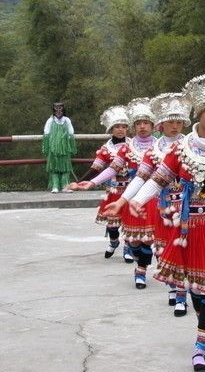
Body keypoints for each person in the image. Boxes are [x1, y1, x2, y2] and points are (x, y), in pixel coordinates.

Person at [121, 74, 205, 372]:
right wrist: (131, 201)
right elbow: (159, 178)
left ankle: (201, 347)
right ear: (199, 113)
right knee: (196, 289)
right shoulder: (179, 150)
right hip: (187, 226)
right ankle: (203, 317)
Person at [104, 92, 194, 313]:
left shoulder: (193, 146)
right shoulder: (154, 152)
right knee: (163, 251)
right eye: (170, 122)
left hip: (189, 208)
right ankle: (172, 288)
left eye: (179, 122)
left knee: (183, 251)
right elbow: (141, 177)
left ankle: (181, 294)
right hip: (162, 207)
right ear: (161, 125)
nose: (175, 126)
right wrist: (128, 200)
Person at [75, 98, 159, 288]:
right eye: (138, 123)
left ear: (153, 125)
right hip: (129, 197)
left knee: (148, 240)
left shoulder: (161, 146)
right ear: (134, 127)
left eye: (146, 123)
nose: (142, 127)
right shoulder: (127, 148)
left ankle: (141, 271)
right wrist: (91, 182)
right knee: (133, 241)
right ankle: (135, 256)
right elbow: (112, 168)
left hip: (154, 198)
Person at [69, 106, 129, 260]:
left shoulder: (134, 145)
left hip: (131, 190)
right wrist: (79, 182)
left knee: (131, 221)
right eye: (117, 127)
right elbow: (95, 169)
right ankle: (114, 241)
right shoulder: (105, 150)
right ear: (111, 129)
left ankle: (129, 248)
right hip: (114, 190)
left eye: (124, 127)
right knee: (113, 223)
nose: (121, 130)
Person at [42, 102, 76, 193]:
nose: (58, 110)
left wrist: (68, 142)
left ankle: (65, 186)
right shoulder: (50, 120)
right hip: (53, 148)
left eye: (60, 108)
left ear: (63, 109)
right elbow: (46, 133)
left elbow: (71, 132)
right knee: (54, 167)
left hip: (64, 148)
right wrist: (48, 146)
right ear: (53, 110)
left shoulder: (67, 120)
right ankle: (55, 186)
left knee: (65, 168)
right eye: (56, 108)